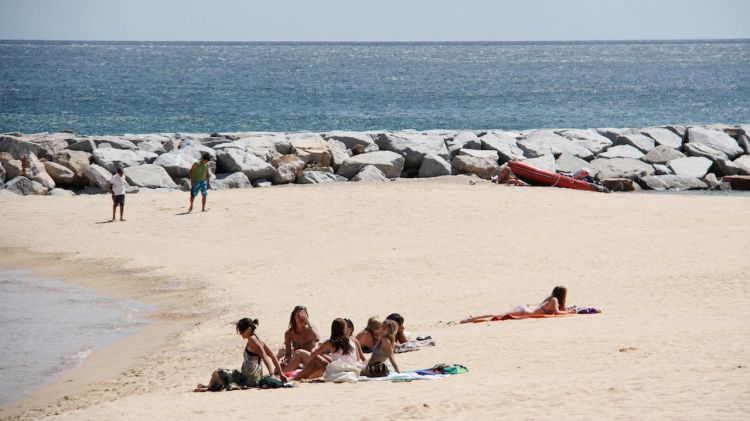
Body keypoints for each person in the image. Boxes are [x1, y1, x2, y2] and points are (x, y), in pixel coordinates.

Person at [195, 317, 287, 391]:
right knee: (231, 372)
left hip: (248, 379)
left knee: (218, 372)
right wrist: (281, 373)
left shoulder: (252, 340)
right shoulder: (258, 340)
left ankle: (209, 387)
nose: (240, 333)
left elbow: (265, 356)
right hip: (253, 378)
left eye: (241, 331)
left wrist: (272, 374)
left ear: (249, 329)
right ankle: (210, 386)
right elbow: (272, 356)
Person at [292, 318, 364, 381]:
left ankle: (298, 377)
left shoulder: (331, 342)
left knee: (317, 358)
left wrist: (315, 346)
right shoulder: (350, 340)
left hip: (339, 371)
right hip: (352, 370)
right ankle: (306, 376)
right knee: (324, 359)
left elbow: (313, 354)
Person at [460, 286, 576, 323]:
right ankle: (470, 319)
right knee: (497, 315)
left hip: (525, 308)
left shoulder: (551, 298)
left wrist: (569, 308)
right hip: (524, 311)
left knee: (498, 315)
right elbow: (557, 313)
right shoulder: (555, 300)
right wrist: (570, 312)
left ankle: (470, 318)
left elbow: (561, 309)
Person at [280, 306, 321, 371]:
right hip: (299, 361)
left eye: (304, 315)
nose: (301, 318)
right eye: (299, 315)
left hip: (311, 359)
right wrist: (285, 360)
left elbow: (318, 338)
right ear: (294, 317)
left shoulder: (311, 328)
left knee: (299, 352)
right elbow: (288, 354)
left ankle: (283, 375)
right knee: (278, 368)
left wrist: (308, 322)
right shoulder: (289, 333)